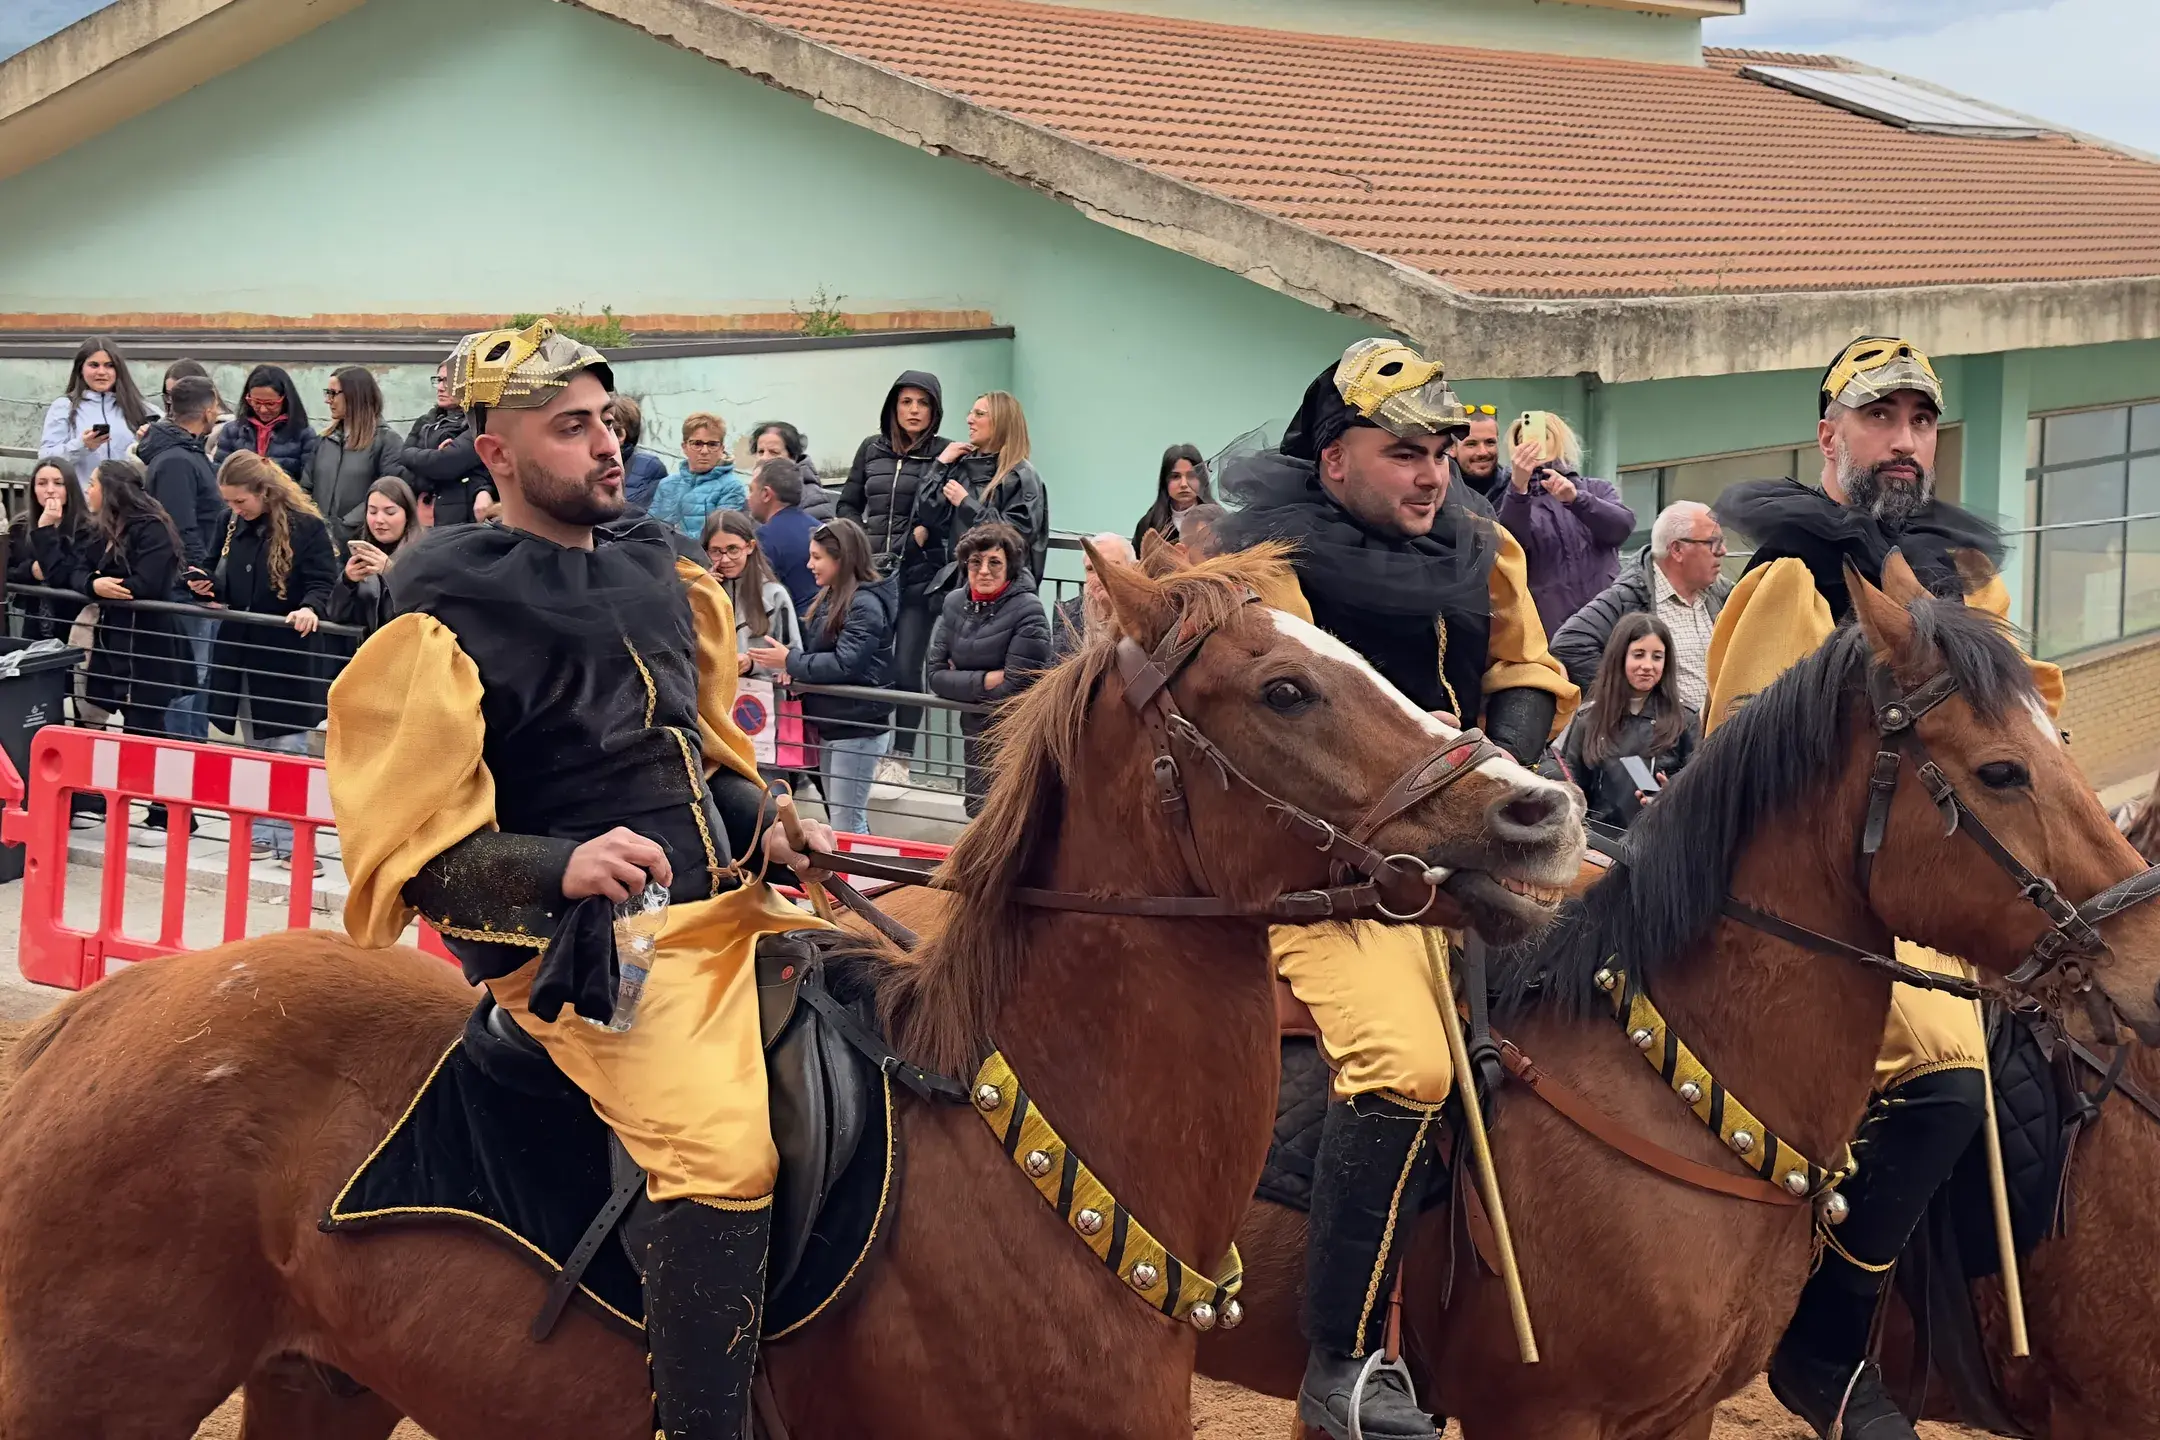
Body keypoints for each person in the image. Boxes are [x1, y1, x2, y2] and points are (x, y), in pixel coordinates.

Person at [326, 320, 837, 1440]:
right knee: (723, 1153)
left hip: (732, 913)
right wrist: (567, 868)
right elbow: (421, 867)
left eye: (607, 420)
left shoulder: (661, 569)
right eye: (571, 428)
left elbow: (698, 772)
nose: (607, 446)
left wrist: (771, 823)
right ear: (498, 455)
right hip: (593, 962)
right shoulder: (439, 608)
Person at [1216, 339, 1577, 1440]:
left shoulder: (1487, 544)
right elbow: (1278, 742)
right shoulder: (1267, 567)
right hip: (1333, 874)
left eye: (1440, 454)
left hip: (1474, 841)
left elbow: (1529, 673)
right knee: (1408, 1067)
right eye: (1404, 453)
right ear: (1333, 462)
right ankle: (1343, 1361)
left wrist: (1497, 773)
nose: (1433, 476)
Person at [1709, 336, 2066, 1440]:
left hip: (1967, 877)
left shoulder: (1973, 581)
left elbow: (2032, 717)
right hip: (1832, 907)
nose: (1905, 443)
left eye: (1920, 422)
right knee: (1954, 1074)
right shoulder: (1788, 578)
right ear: (1830, 437)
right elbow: (1746, 758)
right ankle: (1827, 1340)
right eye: (1880, 421)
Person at [198, 452, 339, 867]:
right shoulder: (230, 524)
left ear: (264, 491)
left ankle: (296, 843)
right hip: (240, 653)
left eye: (240, 501)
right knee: (256, 748)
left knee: (289, 749)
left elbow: (322, 580)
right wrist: (203, 585)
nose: (235, 509)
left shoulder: (306, 528)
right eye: (229, 502)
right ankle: (262, 832)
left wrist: (311, 607)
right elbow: (212, 569)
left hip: (285, 655)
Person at [56, 462, 192, 834]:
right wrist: (93, 583)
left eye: (95, 484)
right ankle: (98, 802)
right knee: (96, 719)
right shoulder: (97, 528)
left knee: (147, 729)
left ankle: (168, 814)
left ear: (112, 489)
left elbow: (146, 583)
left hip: (149, 646)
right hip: (110, 643)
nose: (88, 490)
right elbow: (72, 570)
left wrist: (100, 582)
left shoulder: (154, 529)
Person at [747, 517, 896, 836]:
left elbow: (845, 664)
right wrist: (794, 668)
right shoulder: (835, 597)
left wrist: (791, 660)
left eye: (817, 557)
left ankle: (859, 884)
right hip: (839, 723)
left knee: (846, 821)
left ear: (840, 559)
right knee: (844, 817)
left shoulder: (863, 603)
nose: (809, 564)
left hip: (856, 727)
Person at [839, 370, 947, 799]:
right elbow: (849, 501)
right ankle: (873, 747)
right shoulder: (872, 449)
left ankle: (900, 757)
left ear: (934, 409)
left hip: (918, 578)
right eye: (906, 402)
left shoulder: (943, 454)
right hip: (870, 576)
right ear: (893, 407)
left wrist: (917, 539)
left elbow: (941, 515)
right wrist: (858, 540)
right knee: (872, 664)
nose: (914, 410)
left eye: (922, 403)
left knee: (906, 667)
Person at [1550, 500, 1732, 716]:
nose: (1723, 551)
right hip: (1665, 742)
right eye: (1712, 542)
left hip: (1722, 738)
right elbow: (1569, 644)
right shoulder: (1628, 597)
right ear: (1677, 550)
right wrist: (1632, 705)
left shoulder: (1725, 596)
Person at [926, 522, 1052, 817]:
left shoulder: (1029, 610)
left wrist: (959, 679)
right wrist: (986, 679)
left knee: (1009, 818)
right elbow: (934, 675)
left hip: (1013, 736)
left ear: (1010, 567)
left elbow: (1016, 687)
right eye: (975, 562)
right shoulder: (954, 602)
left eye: (994, 562)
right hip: (973, 731)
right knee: (977, 815)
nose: (983, 571)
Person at [136, 375, 231, 741]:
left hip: (192, 587)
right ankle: (183, 760)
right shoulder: (177, 460)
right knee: (190, 676)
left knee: (197, 677)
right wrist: (200, 580)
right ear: (208, 410)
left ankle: (194, 754)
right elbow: (182, 526)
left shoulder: (182, 454)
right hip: (188, 591)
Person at [1492, 410, 1635, 636]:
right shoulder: (1512, 502)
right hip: (1553, 630)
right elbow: (1511, 547)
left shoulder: (1595, 489)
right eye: (1522, 442)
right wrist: (1518, 489)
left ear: (1558, 441)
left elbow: (1622, 529)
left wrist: (1577, 500)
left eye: (1541, 437)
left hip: (1610, 622)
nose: (1531, 445)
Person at [1554, 612, 1697, 830]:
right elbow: (1571, 788)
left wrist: (1674, 798)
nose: (1648, 665)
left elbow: (1700, 794)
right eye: (1638, 655)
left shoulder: (1685, 720)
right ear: (1619, 657)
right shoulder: (1588, 719)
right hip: (1597, 845)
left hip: (1657, 843)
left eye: (1657, 657)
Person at [912, 390, 1049, 595]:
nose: (969, 420)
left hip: (1003, 592)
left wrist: (967, 504)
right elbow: (927, 512)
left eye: (979, 414)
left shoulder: (1022, 476)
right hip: (958, 587)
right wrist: (940, 464)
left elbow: (1015, 536)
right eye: (971, 413)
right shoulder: (960, 466)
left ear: (1001, 422)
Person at [304, 368, 407, 551]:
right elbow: (305, 487)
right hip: (317, 543)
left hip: (361, 544)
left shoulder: (387, 441)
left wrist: (345, 525)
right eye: (327, 393)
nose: (328, 400)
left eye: (333, 394)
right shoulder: (322, 441)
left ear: (355, 395)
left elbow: (389, 494)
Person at [41, 337, 156, 487]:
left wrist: (149, 440)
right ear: (81, 369)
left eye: (109, 366)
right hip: (83, 503)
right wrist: (82, 445)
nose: (101, 372)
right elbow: (46, 458)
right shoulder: (64, 407)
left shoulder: (141, 408)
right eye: (94, 365)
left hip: (128, 503)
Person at [702, 508, 800, 676]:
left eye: (733, 549)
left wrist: (753, 664)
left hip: (761, 696)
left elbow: (793, 658)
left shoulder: (774, 595)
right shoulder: (700, 591)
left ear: (750, 547)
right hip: (714, 695)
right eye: (716, 551)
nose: (725, 559)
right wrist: (700, 592)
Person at [398, 355, 492, 527]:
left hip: (458, 520)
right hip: (422, 519)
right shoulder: (425, 422)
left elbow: (445, 464)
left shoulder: (478, 425)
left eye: (448, 382)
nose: (440, 387)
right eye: (439, 380)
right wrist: (431, 472)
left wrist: (427, 465)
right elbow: (402, 458)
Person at [7, 457, 91, 640]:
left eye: (58, 483)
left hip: (73, 624)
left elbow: (62, 575)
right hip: (32, 621)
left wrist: (46, 529)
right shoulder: (21, 526)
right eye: (42, 483)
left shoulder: (88, 527)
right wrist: (30, 571)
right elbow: (7, 569)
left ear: (70, 488)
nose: (50, 490)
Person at [326, 477, 420, 636]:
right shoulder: (359, 552)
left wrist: (392, 573)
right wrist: (347, 582)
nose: (379, 520)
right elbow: (336, 615)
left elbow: (424, 613)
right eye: (372, 511)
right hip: (366, 651)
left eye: (390, 512)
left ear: (408, 514)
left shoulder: (424, 552)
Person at [212, 365, 318, 481]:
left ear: (286, 400)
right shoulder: (232, 431)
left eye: (270, 404)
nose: (263, 409)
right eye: (256, 402)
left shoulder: (304, 434)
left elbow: (307, 482)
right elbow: (220, 474)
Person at [650, 411, 744, 537]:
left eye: (712, 444)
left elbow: (718, 537)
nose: (704, 451)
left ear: (722, 448)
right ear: (684, 447)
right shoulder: (667, 484)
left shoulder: (732, 487)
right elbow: (649, 525)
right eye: (697, 444)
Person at [747, 458, 819, 613]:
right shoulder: (820, 528)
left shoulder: (764, 538)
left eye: (751, 490)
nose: (748, 498)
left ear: (766, 494)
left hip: (794, 630)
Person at [1049, 531, 1134, 659]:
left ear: (1133, 569)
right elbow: (1054, 670)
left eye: (1110, 566)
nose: (1099, 577)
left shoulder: (1146, 618)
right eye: (1090, 569)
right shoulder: (1069, 616)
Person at [1130, 443, 1214, 550]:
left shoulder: (1217, 520)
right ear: (1165, 482)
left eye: (1191, 476)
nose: (1184, 484)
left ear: (1201, 480)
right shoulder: (1148, 525)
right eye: (1175, 477)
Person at [748, 421, 836, 519]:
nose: (764, 458)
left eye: (774, 452)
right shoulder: (754, 493)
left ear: (793, 457)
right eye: (760, 452)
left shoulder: (811, 498)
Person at [609, 394, 670, 513]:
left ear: (621, 434)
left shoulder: (650, 467)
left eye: (610, 427)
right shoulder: (591, 462)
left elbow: (647, 516)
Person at [1452, 405, 1504, 501]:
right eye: (1471, 444)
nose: (1482, 452)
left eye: (1490, 442)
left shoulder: (1514, 487)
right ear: (1452, 448)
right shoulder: (1436, 490)